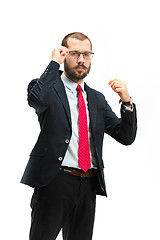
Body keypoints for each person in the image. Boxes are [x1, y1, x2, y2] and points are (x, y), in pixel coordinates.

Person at [21, 32, 137, 240]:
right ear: (64, 55)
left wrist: (127, 103)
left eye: (86, 54)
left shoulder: (96, 99)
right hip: (54, 181)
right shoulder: (49, 88)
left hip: (88, 184)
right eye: (74, 54)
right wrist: (53, 63)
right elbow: (36, 99)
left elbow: (125, 136)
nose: (81, 60)